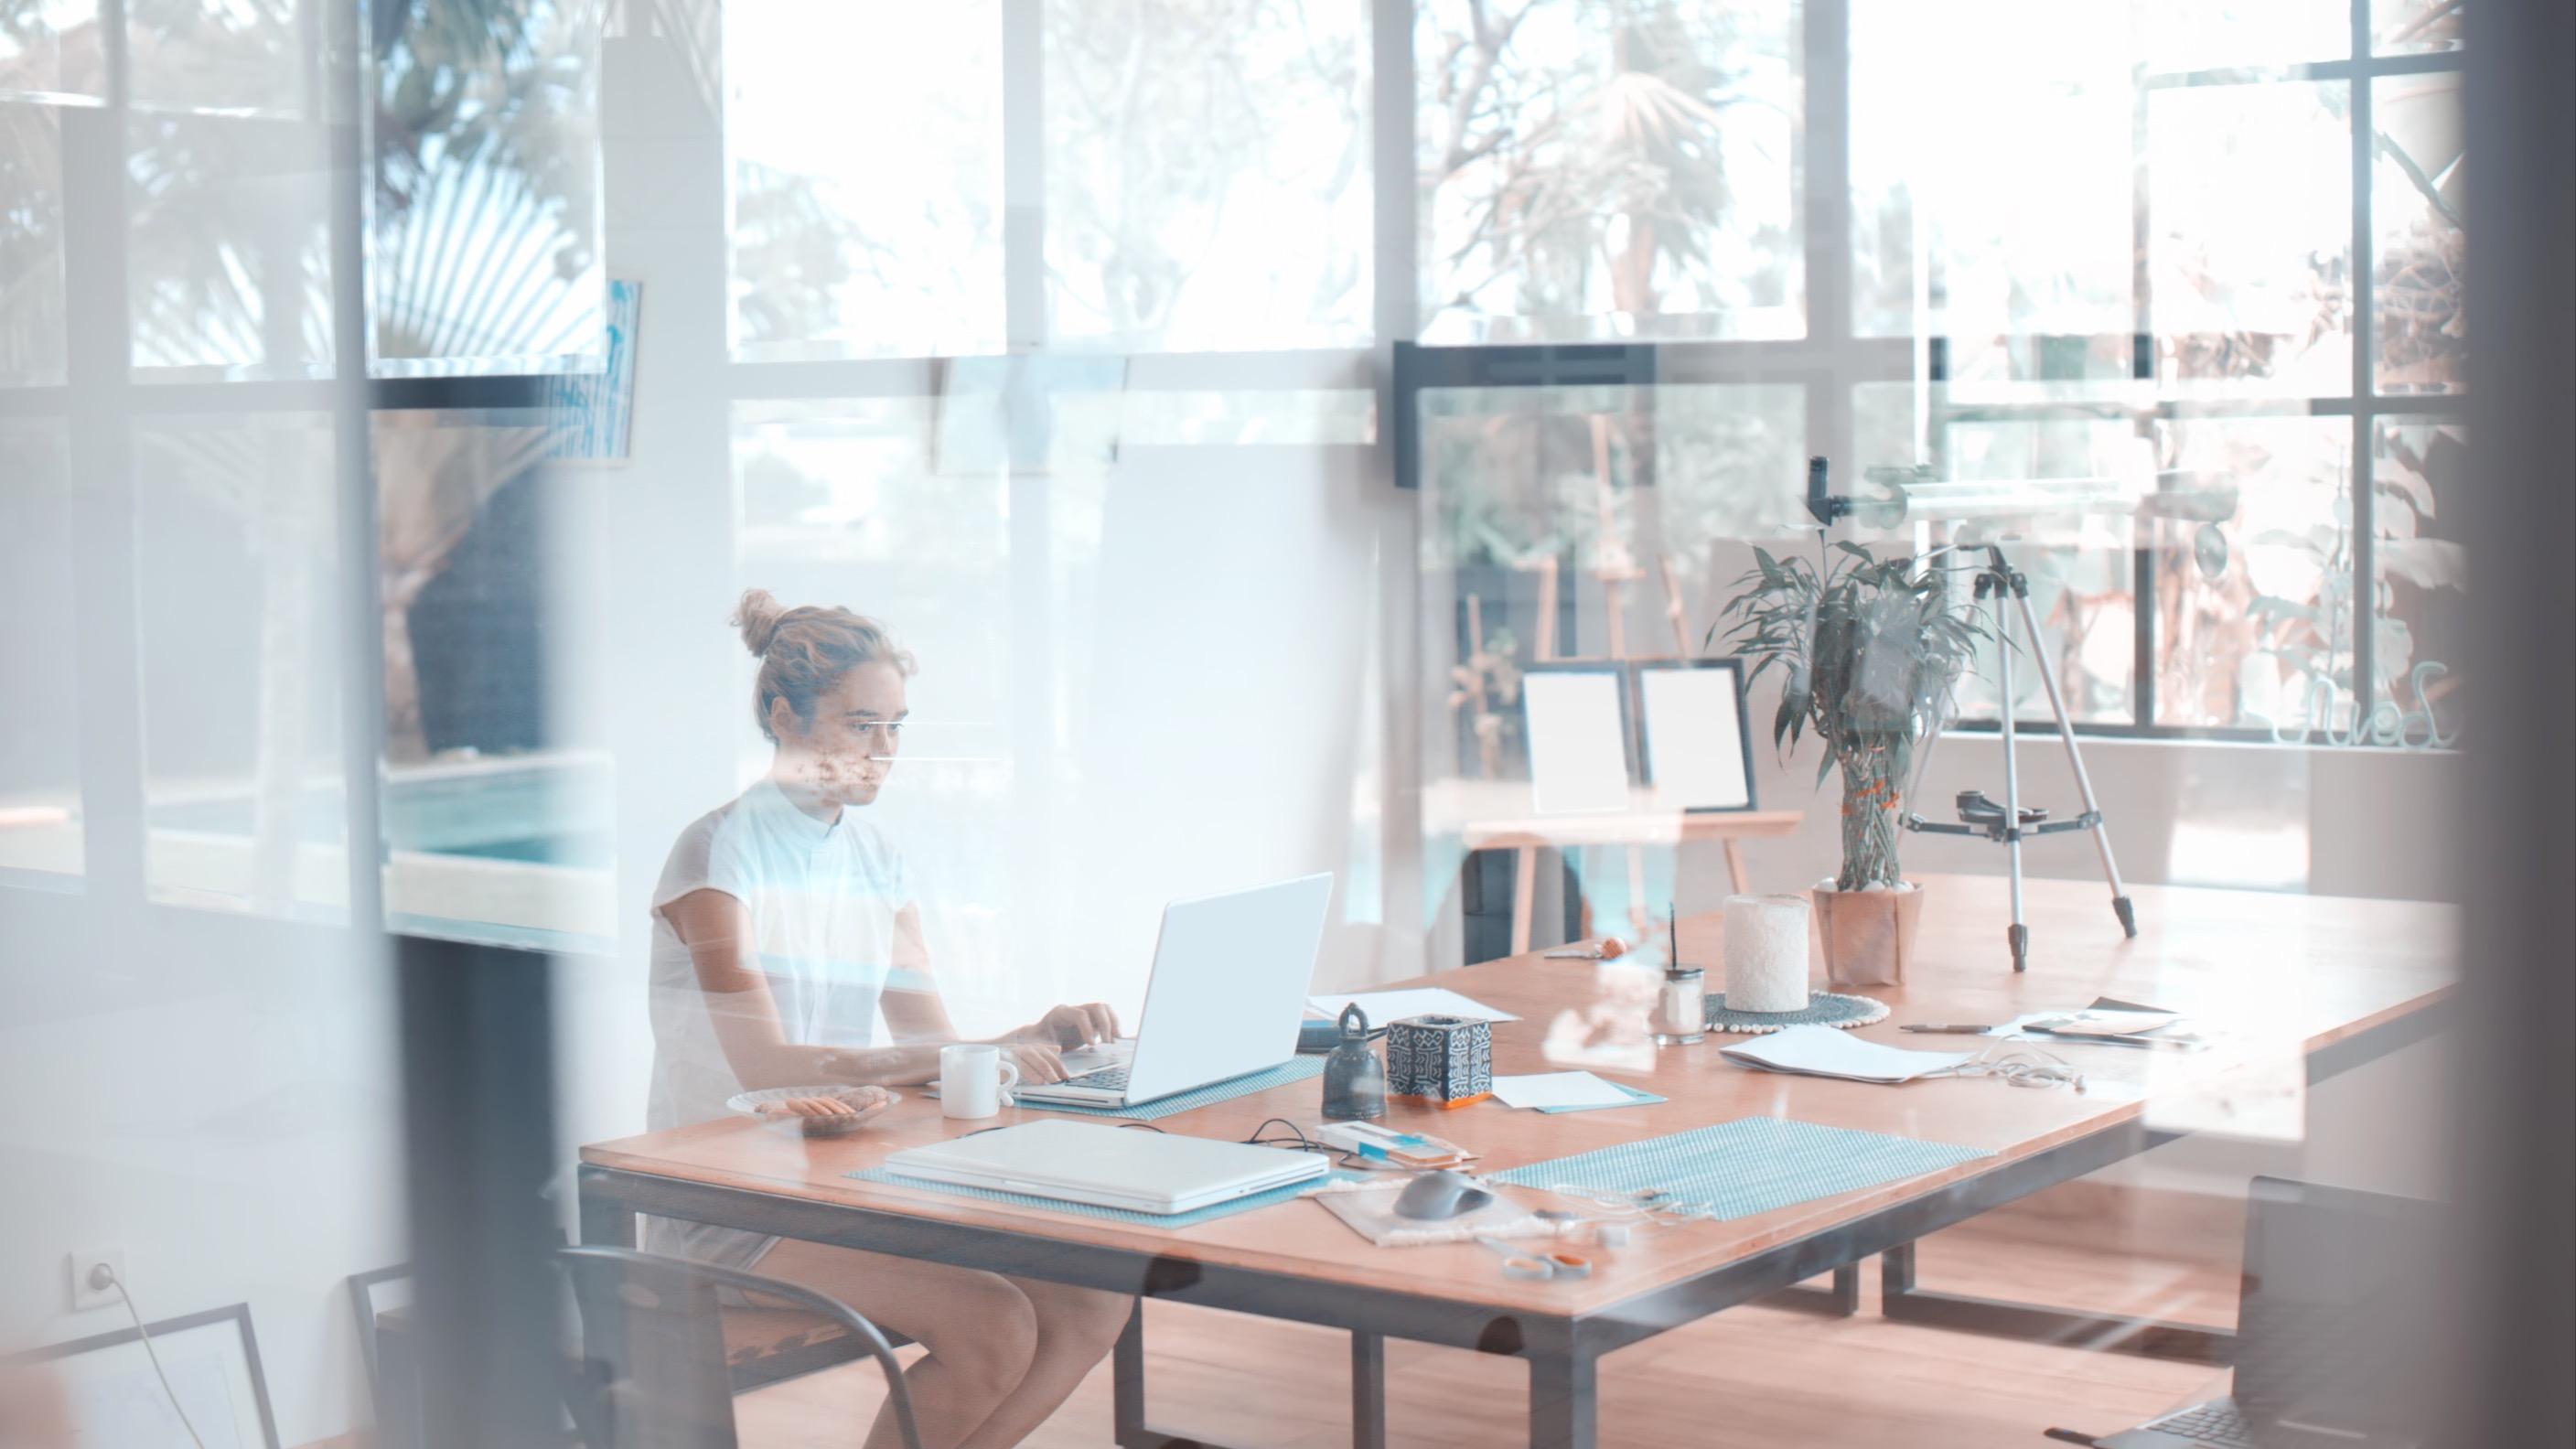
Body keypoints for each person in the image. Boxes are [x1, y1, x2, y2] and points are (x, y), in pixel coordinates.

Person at [648, 590, 1132, 1449]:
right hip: (726, 1202)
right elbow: (764, 1068)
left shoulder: (876, 860)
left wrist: (1030, 1035)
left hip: (841, 1181)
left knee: (1097, 1298)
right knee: (993, 1326)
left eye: (896, 728)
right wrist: (968, 1056)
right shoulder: (715, 857)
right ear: (781, 714)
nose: (883, 753)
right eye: (861, 724)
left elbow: (923, 1044)